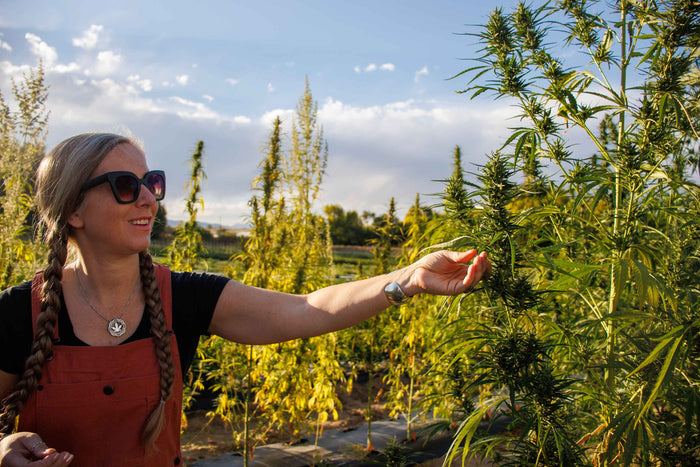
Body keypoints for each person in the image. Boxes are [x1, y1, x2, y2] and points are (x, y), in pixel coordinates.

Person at [0, 133, 491, 466]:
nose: (150, 199)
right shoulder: (16, 314)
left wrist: (409, 278)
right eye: (126, 187)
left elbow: (303, 309)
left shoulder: (185, 297)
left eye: (152, 183)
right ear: (73, 212)